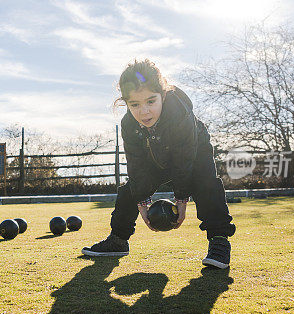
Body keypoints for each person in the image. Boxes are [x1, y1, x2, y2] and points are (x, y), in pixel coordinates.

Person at [82, 59, 235, 268]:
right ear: (126, 103)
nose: (144, 112)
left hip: (194, 151)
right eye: (134, 105)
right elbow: (135, 166)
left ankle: (219, 241)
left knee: (206, 184)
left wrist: (181, 200)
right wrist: (141, 201)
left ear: (162, 95)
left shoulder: (179, 113)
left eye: (151, 102)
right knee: (131, 190)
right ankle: (118, 240)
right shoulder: (128, 124)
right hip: (154, 156)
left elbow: (184, 161)